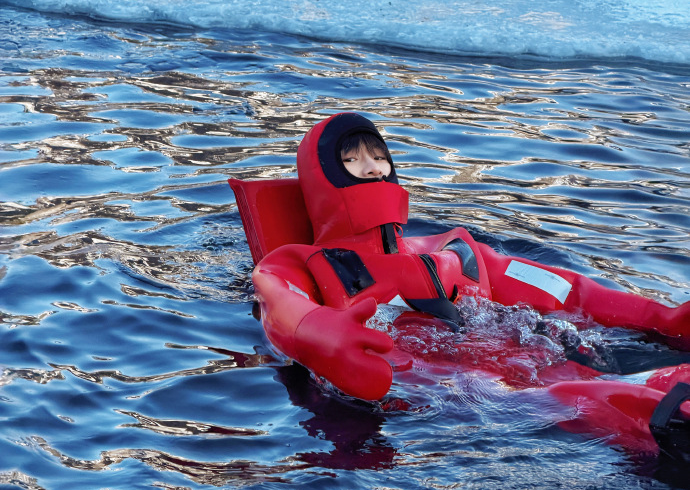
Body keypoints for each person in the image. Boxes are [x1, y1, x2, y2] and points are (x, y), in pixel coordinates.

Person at [251, 112, 690, 407]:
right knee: (597, 403)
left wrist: (666, 318)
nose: (373, 169)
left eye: (379, 157)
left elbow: (564, 289)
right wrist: (329, 340)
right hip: (447, 395)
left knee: (645, 379)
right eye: (352, 160)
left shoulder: (455, 251)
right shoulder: (297, 263)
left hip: (529, 362)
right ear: (324, 179)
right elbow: (282, 307)